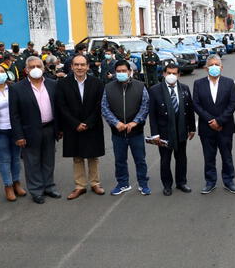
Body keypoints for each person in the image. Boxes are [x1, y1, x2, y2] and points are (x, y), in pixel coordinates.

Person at [9, 56, 60, 204]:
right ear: (26, 70)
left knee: (49, 160)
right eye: (32, 67)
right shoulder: (16, 88)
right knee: (32, 162)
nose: (36, 69)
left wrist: (59, 128)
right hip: (29, 131)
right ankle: (36, 190)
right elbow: (14, 114)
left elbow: (57, 108)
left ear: (43, 68)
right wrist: (18, 135)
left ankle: (49, 186)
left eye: (38, 66)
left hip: (49, 128)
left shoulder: (53, 84)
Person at [56, 54, 106, 200]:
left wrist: (88, 123)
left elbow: (100, 105)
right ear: (71, 66)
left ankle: (95, 183)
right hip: (73, 126)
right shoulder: (63, 84)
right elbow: (61, 106)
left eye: (82, 64)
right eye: (76, 65)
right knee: (77, 156)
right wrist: (75, 123)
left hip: (93, 125)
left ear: (87, 66)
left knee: (93, 155)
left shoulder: (97, 83)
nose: (79, 67)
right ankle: (80, 186)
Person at [101, 60, 151, 196]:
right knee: (120, 160)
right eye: (119, 71)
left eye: (124, 71)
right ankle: (123, 183)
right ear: (115, 72)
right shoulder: (108, 87)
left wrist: (135, 122)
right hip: (118, 132)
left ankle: (143, 183)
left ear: (129, 71)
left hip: (136, 132)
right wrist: (116, 123)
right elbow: (105, 108)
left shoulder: (140, 86)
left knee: (140, 159)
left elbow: (145, 106)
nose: (121, 73)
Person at [192, 55, 235, 195]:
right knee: (209, 156)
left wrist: (219, 121)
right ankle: (210, 181)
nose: (214, 67)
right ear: (206, 68)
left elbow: (232, 105)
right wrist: (210, 120)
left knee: (227, 155)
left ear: (221, 67)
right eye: (211, 64)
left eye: (217, 64)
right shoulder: (198, 83)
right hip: (207, 127)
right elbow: (196, 104)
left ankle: (229, 180)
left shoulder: (229, 83)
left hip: (225, 127)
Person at [149, 63, 196, 196]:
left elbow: (190, 110)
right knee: (165, 159)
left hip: (181, 130)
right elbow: (152, 115)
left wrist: (192, 128)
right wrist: (155, 134)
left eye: (174, 73)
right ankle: (167, 185)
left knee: (181, 158)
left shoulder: (185, 89)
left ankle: (181, 182)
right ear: (164, 74)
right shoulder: (155, 90)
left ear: (179, 75)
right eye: (168, 73)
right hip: (164, 132)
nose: (171, 76)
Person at [0, 64, 26, 201]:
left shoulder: (13, 89)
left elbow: (20, 111)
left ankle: (16, 183)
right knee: (5, 160)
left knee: (16, 159)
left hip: (15, 131)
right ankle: (8, 186)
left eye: (2, 71)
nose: (0, 74)